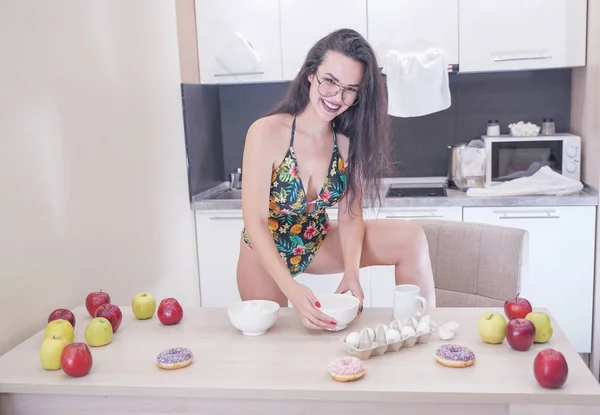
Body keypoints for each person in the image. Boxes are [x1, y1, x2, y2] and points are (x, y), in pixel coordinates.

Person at [237, 28, 436, 330]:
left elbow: (350, 214)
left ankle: (419, 331)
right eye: (329, 81)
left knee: (411, 238)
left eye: (350, 89)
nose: (337, 97)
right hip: (264, 250)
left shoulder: (346, 141)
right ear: (310, 75)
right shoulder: (266, 132)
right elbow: (255, 221)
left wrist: (352, 274)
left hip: (314, 241)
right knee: (273, 342)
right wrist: (294, 290)